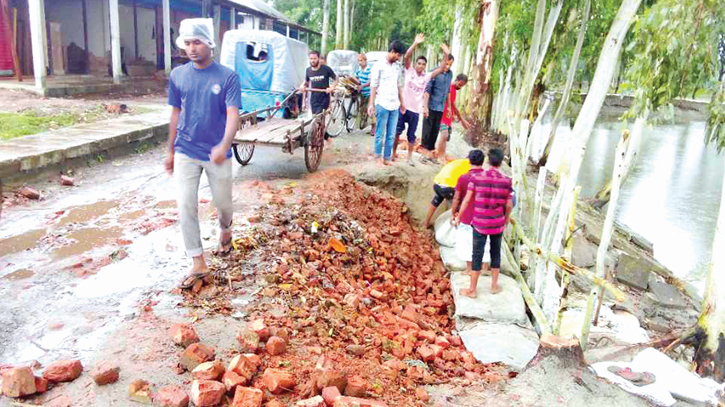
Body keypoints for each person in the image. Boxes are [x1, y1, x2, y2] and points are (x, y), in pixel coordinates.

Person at [164, 18, 241, 289]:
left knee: (224, 205)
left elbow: (234, 115)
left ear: (209, 43)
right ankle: (197, 260)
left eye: (197, 42)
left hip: (216, 153)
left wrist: (223, 144)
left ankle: (226, 229)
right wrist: (171, 150)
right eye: (187, 43)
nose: (192, 48)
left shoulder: (228, 77)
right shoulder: (178, 75)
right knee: (185, 204)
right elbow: (175, 113)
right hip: (186, 149)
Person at [455, 148, 513, 297]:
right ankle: (494, 286)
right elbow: (509, 205)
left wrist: (459, 216)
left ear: (487, 160)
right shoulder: (507, 181)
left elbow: (467, 199)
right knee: (495, 254)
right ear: (501, 162)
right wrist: (505, 220)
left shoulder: (477, 178)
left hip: (480, 223)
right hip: (497, 224)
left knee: (477, 254)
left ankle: (472, 290)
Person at [392, 34, 449, 165]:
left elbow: (440, 69)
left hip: (414, 111)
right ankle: (394, 153)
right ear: (415, 64)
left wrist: (446, 54)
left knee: (411, 136)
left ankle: (409, 158)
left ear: (425, 66)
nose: (421, 66)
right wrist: (415, 43)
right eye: (419, 63)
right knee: (397, 132)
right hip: (403, 108)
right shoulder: (409, 71)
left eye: (423, 64)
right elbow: (406, 57)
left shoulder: (427, 76)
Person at [368, 40, 407, 166]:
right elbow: (373, 86)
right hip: (382, 104)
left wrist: (402, 102)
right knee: (380, 132)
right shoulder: (378, 66)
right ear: (392, 52)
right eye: (398, 55)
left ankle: (387, 157)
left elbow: (399, 86)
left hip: (394, 105)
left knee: (391, 134)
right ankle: (377, 156)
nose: (398, 58)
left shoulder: (397, 67)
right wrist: (371, 104)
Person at [450, 149, 488, 277]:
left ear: (469, 161)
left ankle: (470, 268)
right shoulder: (488, 177)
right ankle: (484, 267)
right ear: (483, 162)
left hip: (467, 215)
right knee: (484, 241)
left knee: (466, 241)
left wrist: (453, 212)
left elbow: (457, 197)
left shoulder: (464, 178)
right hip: (484, 216)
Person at [420, 53, 454, 162]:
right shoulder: (434, 73)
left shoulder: (450, 74)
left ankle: (430, 154)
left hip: (440, 108)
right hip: (431, 106)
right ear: (442, 62)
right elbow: (427, 90)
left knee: (435, 131)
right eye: (446, 64)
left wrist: (448, 107)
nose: (447, 67)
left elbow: (448, 91)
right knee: (427, 131)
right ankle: (423, 155)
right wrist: (425, 107)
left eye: (450, 65)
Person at [423, 157, 471, 228]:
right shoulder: (469, 166)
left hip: (437, 184)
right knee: (460, 203)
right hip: (448, 188)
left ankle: (425, 223)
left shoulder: (457, 161)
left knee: (436, 201)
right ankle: (453, 228)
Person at [301, 50, 337, 143]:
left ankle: (318, 141)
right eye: (311, 59)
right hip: (314, 99)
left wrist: (332, 87)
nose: (312, 60)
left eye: (314, 58)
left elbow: (336, 79)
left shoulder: (326, 69)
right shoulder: (308, 70)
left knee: (317, 120)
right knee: (317, 120)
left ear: (319, 59)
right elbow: (306, 82)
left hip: (324, 98)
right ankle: (328, 139)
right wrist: (302, 86)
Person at [437, 74, 471, 162]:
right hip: (443, 115)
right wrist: (462, 120)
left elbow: (452, 106)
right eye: (460, 84)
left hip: (447, 116)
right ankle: (440, 156)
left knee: (445, 136)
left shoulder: (453, 90)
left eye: (462, 86)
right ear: (456, 80)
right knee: (444, 135)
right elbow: (453, 106)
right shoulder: (450, 88)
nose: (460, 87)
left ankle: (442, 155)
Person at [354, 53, 375, 136]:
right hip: (362, 93)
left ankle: (374, 129)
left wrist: (362, 85)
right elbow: (356, 77)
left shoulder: (369, 69)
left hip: (369, 93)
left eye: (361, 60)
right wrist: (355, 81)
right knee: (363, 110)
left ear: (365, 60)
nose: (360, 62)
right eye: (358, 61)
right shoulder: (359, 69)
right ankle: (366, 125)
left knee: (371, 110)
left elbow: (371, 81)